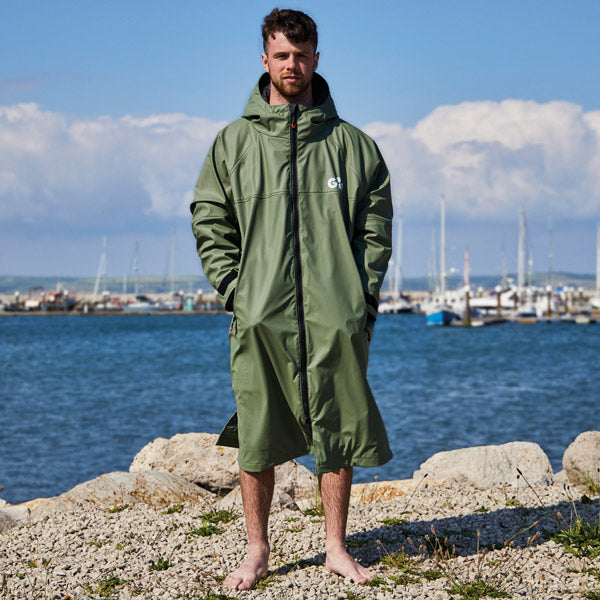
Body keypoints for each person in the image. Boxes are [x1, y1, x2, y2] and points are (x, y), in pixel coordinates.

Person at [191, 8, 393, 590]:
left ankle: (336, 547)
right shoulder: (233, 143)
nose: (292, 65)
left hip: (336, 316)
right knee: (258, 427)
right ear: (265, 59)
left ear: (316, 60)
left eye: (302, 56)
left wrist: (360, 301)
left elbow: (375, 229)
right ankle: (257, 550)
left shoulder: (354, 146)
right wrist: (238, 291)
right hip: (260, 317)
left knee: (338, 423)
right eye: (282, 55)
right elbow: (209, 219)